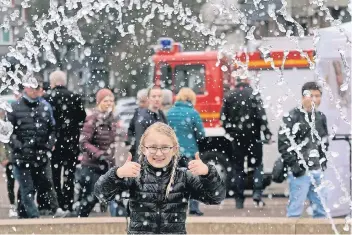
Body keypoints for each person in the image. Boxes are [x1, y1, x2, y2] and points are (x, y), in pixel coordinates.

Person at [94, 122, 226, 234]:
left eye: (165, 147)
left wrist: (208, 173)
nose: (158, 153)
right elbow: (101, 193)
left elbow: (216, 197)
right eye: (152, 147)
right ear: (143, 149)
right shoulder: (134, 175)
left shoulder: (183, 177)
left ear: (174, 149)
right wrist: (118, 174)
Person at [8, 78, 68, 218]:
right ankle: (33, 217)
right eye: (32, 88)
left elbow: (53, 129)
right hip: (22, 156)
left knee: (46, 183)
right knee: (27, 188)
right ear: (26, 88)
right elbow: (9, 133)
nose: (35, 91)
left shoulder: (45, 107)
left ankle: (53, 210)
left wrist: (48, 145)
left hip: (41, 155)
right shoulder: (15, 107)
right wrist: (20, 147)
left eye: (38, 88)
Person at [221, 75, 272, 209]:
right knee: (257, 166)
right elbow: (262, 116)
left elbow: (223, 118)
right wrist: (267, 133)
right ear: (248, 81)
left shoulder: (229, 95)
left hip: (237, 138)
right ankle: (257, 194)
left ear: (236, 82)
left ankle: (239, 200)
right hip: (254, 137)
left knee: (238, 168)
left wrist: (230, 132)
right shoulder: (254, 94)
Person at [278, 82, 329, 218]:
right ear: (303, 97)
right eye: (311, 96)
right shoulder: (292, 116)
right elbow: (283, 145)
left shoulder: (321, 117)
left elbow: (324, 142)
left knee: (321, 211)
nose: (314, 99)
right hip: (300, 172)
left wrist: (323, 163)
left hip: (317, 170)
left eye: (317, 96)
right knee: (295, 210)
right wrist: (297, 167)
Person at [44, 70, 86, 211]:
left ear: (53, 82)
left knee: (55, 175)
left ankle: (57, 202)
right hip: (71, 142)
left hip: (54, 143)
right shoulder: (74, 96)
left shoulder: (48, 98)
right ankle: (68, 202)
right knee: (70, 174)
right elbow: (82, 117)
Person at [74, 88, 118, 217]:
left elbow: (113, 142)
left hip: (106, 165)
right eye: (105, 100)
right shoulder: (92, 118)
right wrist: (99, 154)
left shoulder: (111, 119)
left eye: (111, 100)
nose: (109, 103)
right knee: (91, 197)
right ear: (99, 102)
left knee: (109, 194)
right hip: (91, 165)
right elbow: (83, 142)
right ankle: (78, 222)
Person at [167, 88, 206, 216]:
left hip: (173, 152)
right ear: (191, 99)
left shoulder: (170, 112)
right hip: (190, 152)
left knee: (174, 180)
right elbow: (201, 135)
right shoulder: (193, 113)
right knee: (193, 179)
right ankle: (194, 208)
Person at [128, 85, 167, 161]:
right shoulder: (143, 117)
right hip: (146, 160)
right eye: (154, 96)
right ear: (148, 99)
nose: (157, 99)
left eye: (159, 96)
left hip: (159, 158)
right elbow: (140, 143)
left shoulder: (161, 114)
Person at [126, 88, 149, 157]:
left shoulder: (154, 114)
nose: (140, 104)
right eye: (139, 101)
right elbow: (130, 129)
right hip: (138, 151)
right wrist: (132, 141)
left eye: (143, 101)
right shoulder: (137, 113)